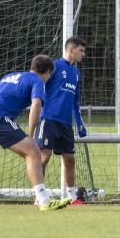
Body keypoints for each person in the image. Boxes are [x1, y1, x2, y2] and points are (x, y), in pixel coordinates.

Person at [0, 55, 70, 211]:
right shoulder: (37, 80)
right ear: (48, 72)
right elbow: (36, 104)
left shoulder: (10, 76)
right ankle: (44, 201)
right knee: (33, 151)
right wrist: (30, 133)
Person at [35, 37, 89, 205]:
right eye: (81, 50)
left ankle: (72, 197)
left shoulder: (76, 73)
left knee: (69, 159)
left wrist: (79, 123)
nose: (83, 54)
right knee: (44, 157)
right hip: (49, 119)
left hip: (66, 124)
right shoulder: (54, 66)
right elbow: (38, 84)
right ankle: (39, 196)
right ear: (71, 50)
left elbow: (75, 101)